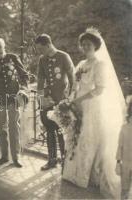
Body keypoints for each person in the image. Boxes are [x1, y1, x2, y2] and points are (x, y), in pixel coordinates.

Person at [62, 28, 126, 198]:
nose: (85, 46)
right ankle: (73, 174)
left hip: (92, 106)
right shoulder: (81, 64)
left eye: (88, 44)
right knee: (76, 138)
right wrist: (70, 101)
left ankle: (84, 177)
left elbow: (99, 89)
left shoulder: (100, 65)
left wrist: (79, 100)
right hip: (78, 105)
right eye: (83, 44)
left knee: (87, 139)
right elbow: (75, 85)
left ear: (95, 46)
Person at [0, 38, 29, 168]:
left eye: (0, 46)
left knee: (14, 127)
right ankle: (4, 156)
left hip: (13, 98)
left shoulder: (13, 57)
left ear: (4, 46)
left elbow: (24, 75)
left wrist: (22, 90)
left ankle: (15, 157)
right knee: (1, 127)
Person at [35, 34, 74, 170]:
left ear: (48, 45)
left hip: (62, 101)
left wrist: (70, 98)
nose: (40, 52)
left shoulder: (63, 56)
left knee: (61, 131)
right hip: (47, 101)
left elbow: (72, 78)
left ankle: (65, 162)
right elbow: (40, 80)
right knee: (49, 129)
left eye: (41, 49)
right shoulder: (42, 59)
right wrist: (41, 100)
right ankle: (52, 160)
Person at [116, 96, 132, 199]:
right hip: (126, 163)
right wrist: (118, 162)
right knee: (124, 189)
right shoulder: (125, 128)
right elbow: (120, 145)